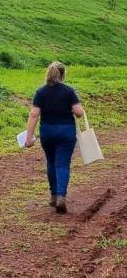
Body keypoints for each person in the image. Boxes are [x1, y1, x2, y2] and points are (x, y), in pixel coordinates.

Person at [24, 61, 85, 214]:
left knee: (51, 163)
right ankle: (61, 197)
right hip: (66, 131)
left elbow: (34, 115)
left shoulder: (40, 92)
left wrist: (29, 137)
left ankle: (53, 195)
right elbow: (78, 113)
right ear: (63, 75)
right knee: (62, 165)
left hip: (47, 131)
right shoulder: (69, 91)